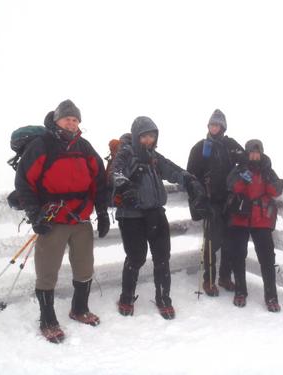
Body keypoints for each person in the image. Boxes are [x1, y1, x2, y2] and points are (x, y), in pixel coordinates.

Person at [15, 99, 110, 343]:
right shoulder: (42, 145)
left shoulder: (85, 147)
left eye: (75, 119)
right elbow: (24, 183)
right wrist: (35, 215)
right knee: (47, 271)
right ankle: (47, 319)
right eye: (67, 118)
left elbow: (99, 181)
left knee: (85, 266)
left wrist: (101, 212)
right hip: (51, 219)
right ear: (57, 120)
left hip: (80, 219)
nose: (71, 122)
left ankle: (79, 309)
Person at [112, 116, 204, 320]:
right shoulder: (125, 153)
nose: (148, 140)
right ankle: (126, 297)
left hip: (155, 213)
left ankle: (164, 298)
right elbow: (115, 173)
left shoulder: (154, 157)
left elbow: (173, 170)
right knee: (136, 257)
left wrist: (190, 181)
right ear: (136, 137)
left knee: (162, 257)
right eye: (144, 136)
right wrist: (125, 187)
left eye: (152, 136)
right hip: (131, 215)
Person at [226, 139, 283, 312]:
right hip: (241, 218)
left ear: (261, 153)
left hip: (261, 220)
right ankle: (240, 292)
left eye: (257, 152)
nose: (254, 155)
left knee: (267, 259)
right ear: (247, 153)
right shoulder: (239, 168)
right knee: (238, 256)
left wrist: (278, 183)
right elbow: (232, 186)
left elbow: (274, 192)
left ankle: (271, 297)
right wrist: (244, 177)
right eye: (251, 152)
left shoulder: (267, 170)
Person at [187, 109, 244, 296]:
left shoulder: (230, 145)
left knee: (229, 240)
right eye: (212, 124)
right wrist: (198, 199)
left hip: (229, 201)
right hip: (210, 201)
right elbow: (190, 176)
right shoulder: (200, 148)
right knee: (211, 242)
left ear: (223, 127)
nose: (214, 128)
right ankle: (209, 280)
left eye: (218, 125)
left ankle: (224, 277)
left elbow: (246, 161)